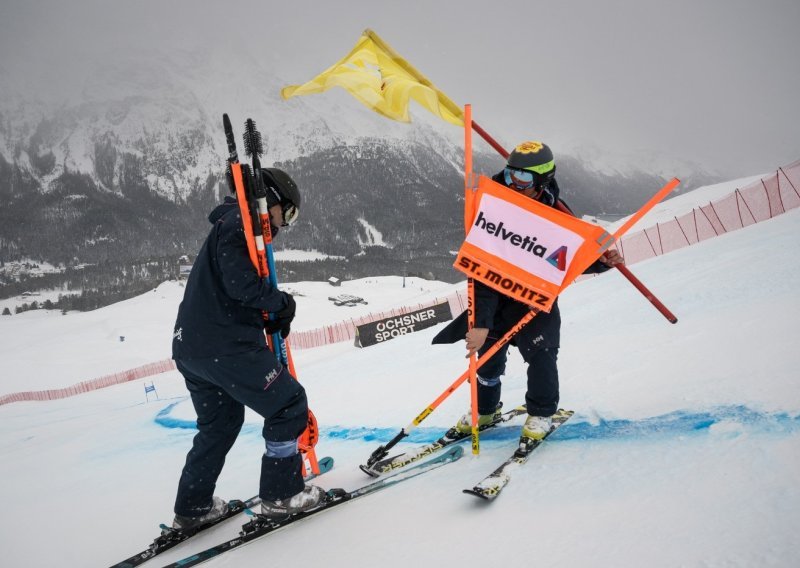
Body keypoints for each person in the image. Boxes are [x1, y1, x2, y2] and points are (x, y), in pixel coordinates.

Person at [433, 141, 624, 442]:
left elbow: (563, 260)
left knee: (542, 355)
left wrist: (601, 262)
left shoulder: (556, 214)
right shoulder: (494, 203)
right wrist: (481, 323)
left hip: (533, 299)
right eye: (508, 175)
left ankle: (541, 414)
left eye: (521, 180)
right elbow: (483, 270)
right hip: (494, 297)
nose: (512, 184)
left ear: (542, 182)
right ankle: (485, 410)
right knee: (487, 359)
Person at [170, 167, 323, 530]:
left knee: (221, 425)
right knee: (288, 404)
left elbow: (231, 291)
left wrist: (266, 316)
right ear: (269, 200)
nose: (285, 225)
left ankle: (193, 507)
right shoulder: (240, 224)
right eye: (287, 213)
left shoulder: (232, 223)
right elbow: (242, 286)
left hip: (193, 348)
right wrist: (280, 302)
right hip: (225, 345)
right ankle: (281, 494)